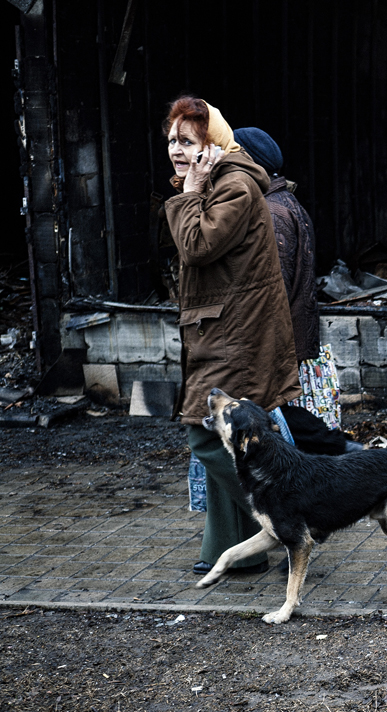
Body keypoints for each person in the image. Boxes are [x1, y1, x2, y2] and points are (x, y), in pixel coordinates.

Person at [163, 96, 301, 576]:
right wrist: (193, 187)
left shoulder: (235, 185)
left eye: (187, 141)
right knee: (224, 440)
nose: (177, 150)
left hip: (236, 335)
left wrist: (189, 191)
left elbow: (197, 246)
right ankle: (230, 550)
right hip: (223, 329)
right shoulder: (219, 182)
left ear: (212, 143)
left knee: (207, 434)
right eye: (172, 141)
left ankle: (287, 517)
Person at [233, 126, 353, 453]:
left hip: (274, 342)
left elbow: (274, 290)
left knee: (277, 416)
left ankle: (340, 449)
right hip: (282, 340)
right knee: (275, 416)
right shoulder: (282, 203)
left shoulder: (270, 213)